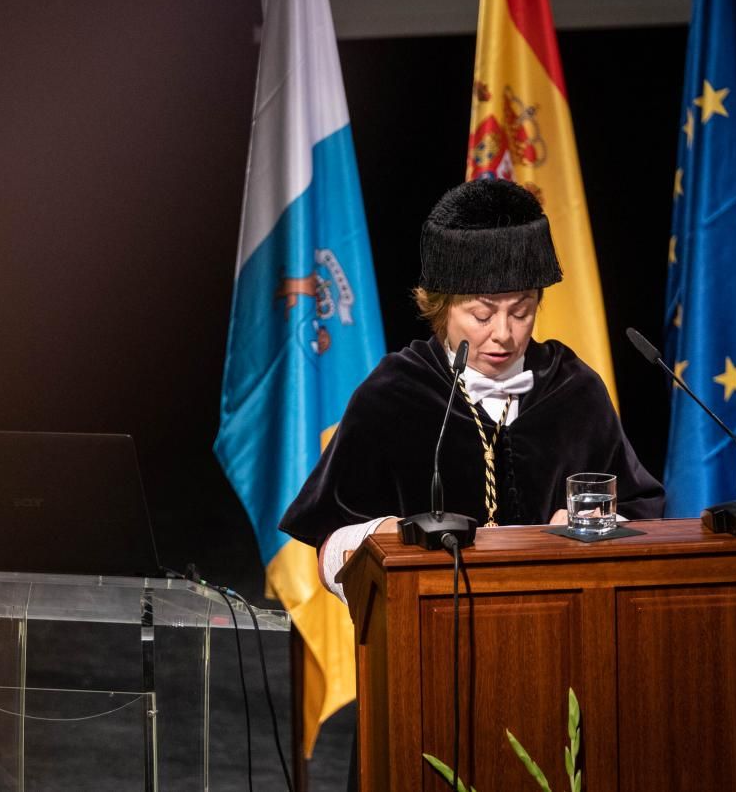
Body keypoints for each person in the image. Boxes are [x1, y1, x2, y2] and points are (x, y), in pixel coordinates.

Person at [278, 178, 666, 601]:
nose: (504, 334)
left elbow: (641, 514)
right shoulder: (392, 395)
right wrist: (388, 536)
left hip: (566, 631)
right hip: (434, 638)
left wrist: (591, 524)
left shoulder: (575, 390)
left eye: (521, 312)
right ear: (443, 309)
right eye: (482, 315)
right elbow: (330, 546)